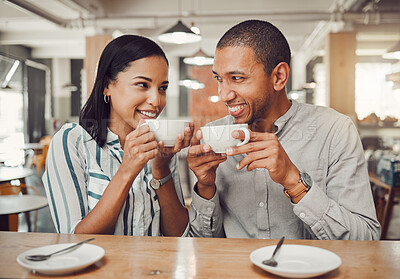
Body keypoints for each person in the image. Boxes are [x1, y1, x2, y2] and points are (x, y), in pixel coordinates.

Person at [187, 20, 381, 240]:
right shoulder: (214, 138)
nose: (224, 95)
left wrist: (293, 180)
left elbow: (366, 240)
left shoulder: (334, 131)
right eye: (219, 79)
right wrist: (205, 187)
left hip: (311, 273)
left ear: (278, 77)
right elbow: (201, 245)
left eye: (237, 78)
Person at [43, 35, 193, 236]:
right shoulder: (72, 142)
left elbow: (179, 236)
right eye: (142, 84)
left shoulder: (160, 147)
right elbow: (74, 238)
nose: (157, 101)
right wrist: (127, 170)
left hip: (155, 267)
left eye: (163, 88)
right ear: (107, 85)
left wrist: (161, 169)